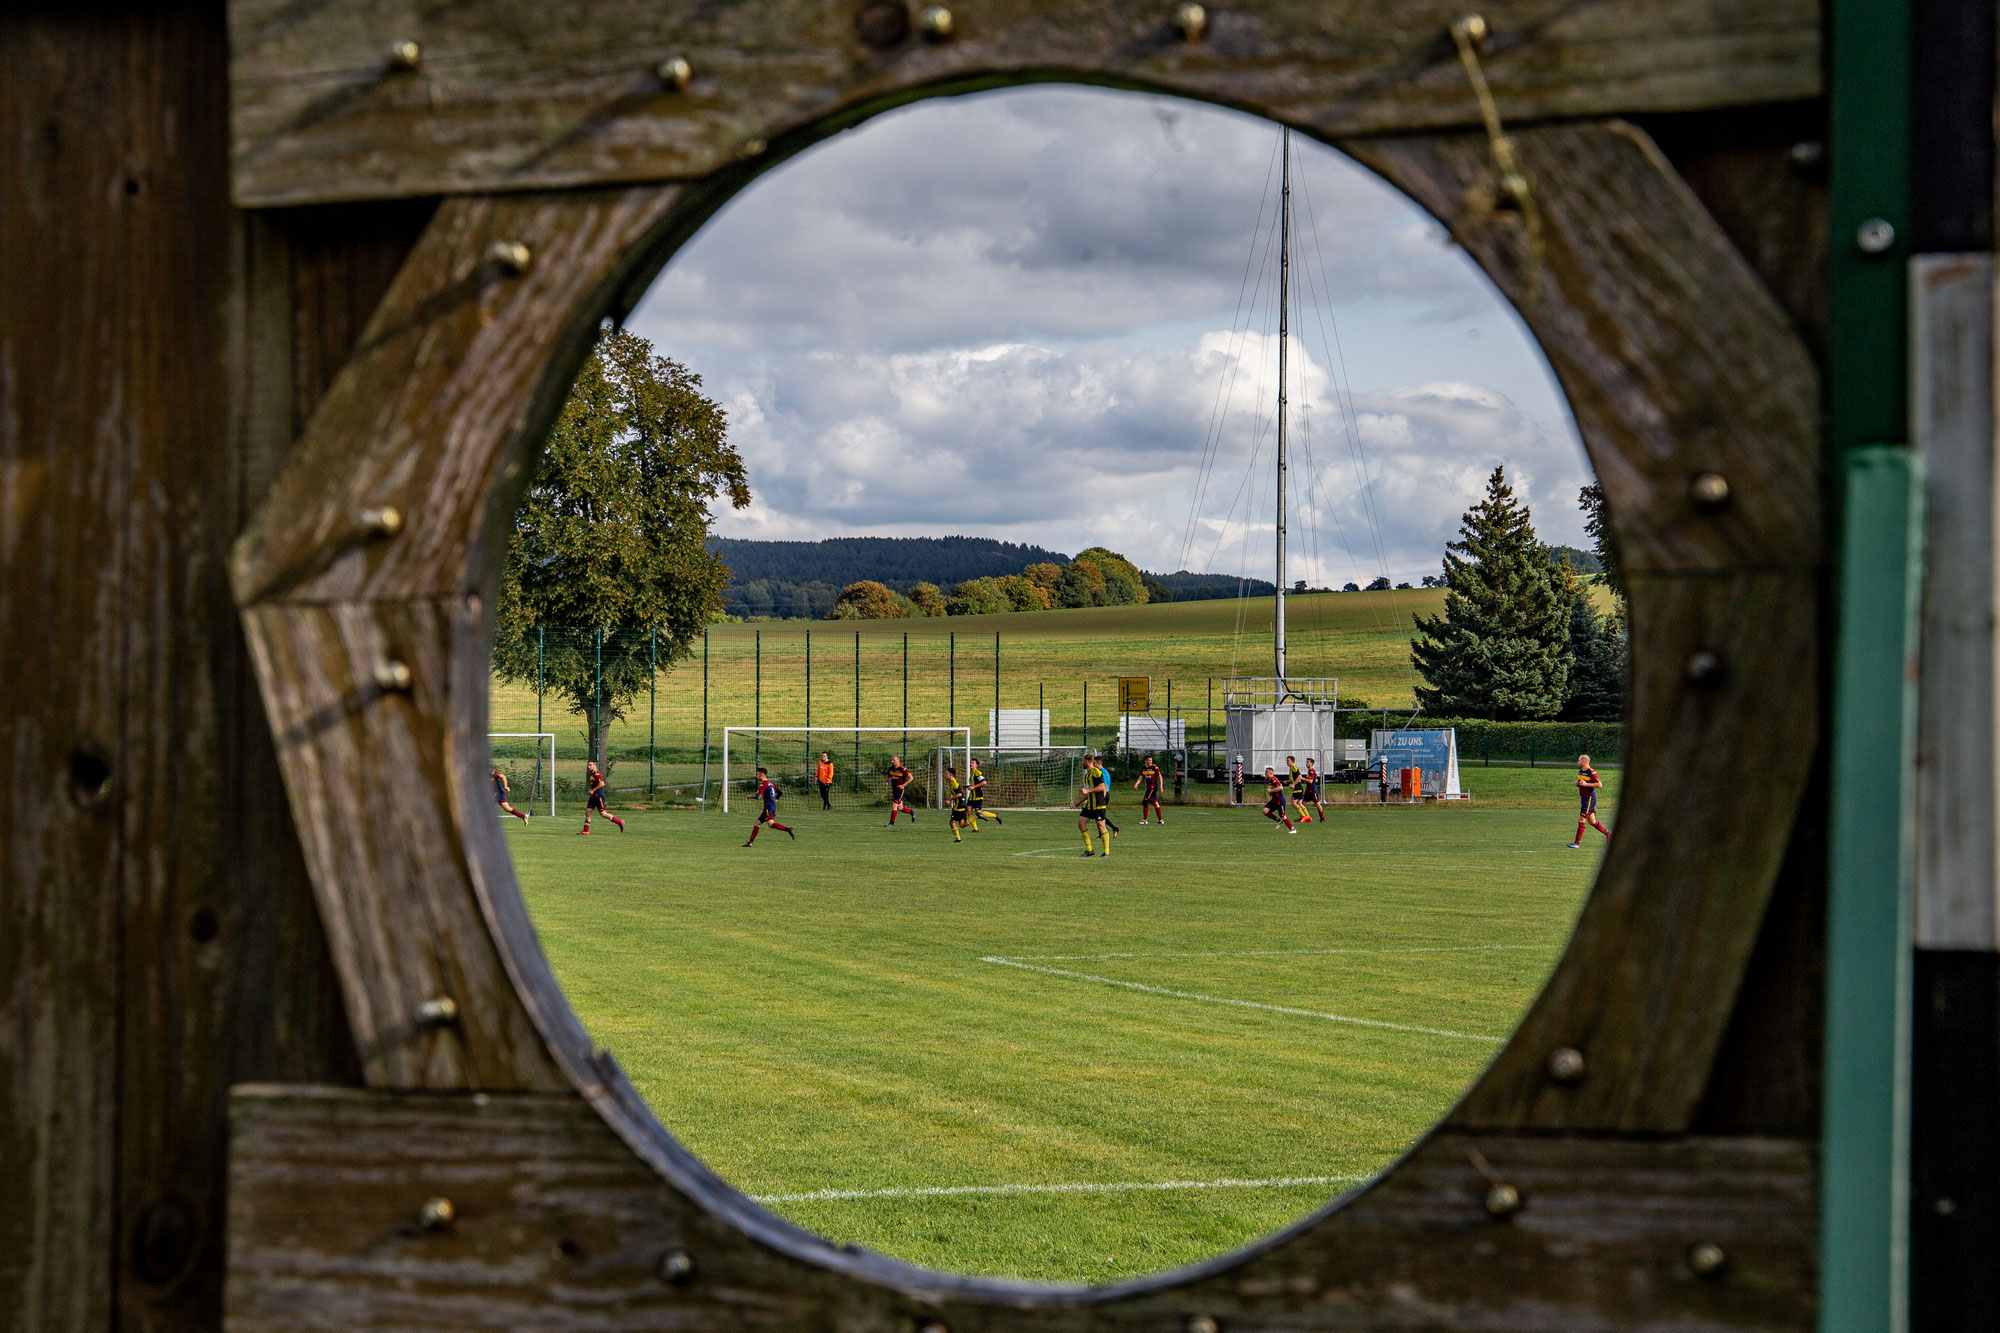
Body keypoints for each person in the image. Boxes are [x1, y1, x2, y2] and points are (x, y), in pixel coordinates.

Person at [743, 765, 794, 846]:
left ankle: (789, 829)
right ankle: (750, 843)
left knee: (763, 824)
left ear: (762, 775)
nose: (756, 775)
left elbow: (758, 796)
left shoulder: (763, 784)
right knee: (763, 824)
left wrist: (750, 796)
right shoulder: (770, 783)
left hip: (768, 808)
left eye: (757, 774)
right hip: (771, 807)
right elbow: (780, 792)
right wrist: (776, 799)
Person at [1568, 753, 1611, 847]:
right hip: (1584, 798)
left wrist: (1585, 784)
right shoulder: (1580, 771)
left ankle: (1576, 843)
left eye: (1579, 760)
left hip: (1589, 798)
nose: (1577, 762)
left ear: (1583, 761)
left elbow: (1599, 785)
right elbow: (1582, 783)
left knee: (1581, 819)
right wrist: (1578, 783)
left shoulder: (1591, 772)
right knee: (1592, 821)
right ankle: (1608, 833)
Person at [1076, 754, 1113, 857]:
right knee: (1081, 823)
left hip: (1098, 804)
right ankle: (1089, 850)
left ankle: (1106, 852)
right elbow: (1089, 792)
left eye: (1083, 761)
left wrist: (1087, 790)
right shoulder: (1087, 775)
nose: (1082, 763)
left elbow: (1102, 787)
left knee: (1101, 826)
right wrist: (1079, 801)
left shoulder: (1096, 772)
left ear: (1087, 762)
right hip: (1090, 805)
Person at [579, 760, 625, 835]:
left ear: (595, 765)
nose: (588, 767)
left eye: (590, 765)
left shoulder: (597, 773)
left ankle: (619, 822)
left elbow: (602, 784)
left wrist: (593, 790)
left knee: (603, 814)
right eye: (588, 765)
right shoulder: (593, 773)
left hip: (598, 796)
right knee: (588, 812)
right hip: (593, 796)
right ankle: (586, 831)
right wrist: (591, 789)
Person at [883, 754, 917, 826]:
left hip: (901, 790)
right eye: (892, 760)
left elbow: (911, 778)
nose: (892, 761)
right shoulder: (891, 768)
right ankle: (912, 812)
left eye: (894, 760)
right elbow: (888, 776)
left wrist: (903, 785)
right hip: (895, 789)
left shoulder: (903, 769)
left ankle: (891, 823)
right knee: (900, 807)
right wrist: (886, 781)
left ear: (898, 761)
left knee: (894, 804)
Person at [967, 758, 1002, 827]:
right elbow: (975, 784)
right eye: (971, 762)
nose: (971, 764)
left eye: (973, 763)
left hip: (978, 796)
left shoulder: (978, 773)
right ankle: (975, 829)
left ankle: (995, 815)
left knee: (978, 814)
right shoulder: (972, 773)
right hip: (971, 796)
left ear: (976, 765)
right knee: (968, 810)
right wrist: (967, 786)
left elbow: (984, 782)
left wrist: (973, 787)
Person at [1262, 766, 1297, 832]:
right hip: (1274, 800)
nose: (1265, 773)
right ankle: (1279, 820)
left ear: (1271, 773)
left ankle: (1293, 829)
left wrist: (1271, 791)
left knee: (1283, 816)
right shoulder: (1270, 781)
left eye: (1266, 772)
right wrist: (1271, 792)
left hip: (1279, 800)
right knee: (1265, 811)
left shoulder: (1274, 779)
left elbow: (1281, 787)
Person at [1133, 754, 1166, 825]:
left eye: (1151, 760)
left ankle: (1145, 820)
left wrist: (1161, 787)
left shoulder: (1154, 767)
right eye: (1148, 760)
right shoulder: (1143, 768)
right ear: (1145, 761)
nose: (1150, 761)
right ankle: (1160, 820)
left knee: (1145, 802)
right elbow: (1141, 777)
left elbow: (1160, 777)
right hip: (1148, 788)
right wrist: (1136, 783)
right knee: (1155, 803)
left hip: (1153, 788)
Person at [946, 763, 972, 842]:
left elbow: (960, 794)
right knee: (962, 824)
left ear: (951, 774)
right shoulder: (952, 783)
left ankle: (958, 839)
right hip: (960, 804)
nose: (945, 775)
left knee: (952, 822)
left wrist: (949, 800)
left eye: (946, 773)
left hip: (960, 805)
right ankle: (974, 818)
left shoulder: (955, 783)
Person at [1287, 755, 1314, 824]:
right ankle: (1308, 817)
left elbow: (1299, 776)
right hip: (1299, 788)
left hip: (1297, 788)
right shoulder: (1291, 768)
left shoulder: (1294, 767)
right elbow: (1296, 778)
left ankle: (1303, 816)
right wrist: (1289, 781)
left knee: (1294, 803)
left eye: (1288, 760)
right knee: (1299, 803)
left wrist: (1293, 784)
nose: (1287, 762)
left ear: (1292, 761)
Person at [1304, 757, 1328, 822]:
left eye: (1308, 762)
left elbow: (1311, 781)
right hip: (1308, 790)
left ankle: (1322, 818)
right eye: (1306, 762)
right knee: (1302, 803)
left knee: (1317, 804)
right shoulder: (1310, 771)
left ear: (1311, 763)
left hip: (1312, 791)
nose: (1306, 763)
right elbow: (1316, 780)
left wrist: (1302, 779)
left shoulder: (1312, 770)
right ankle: (1304, 817)